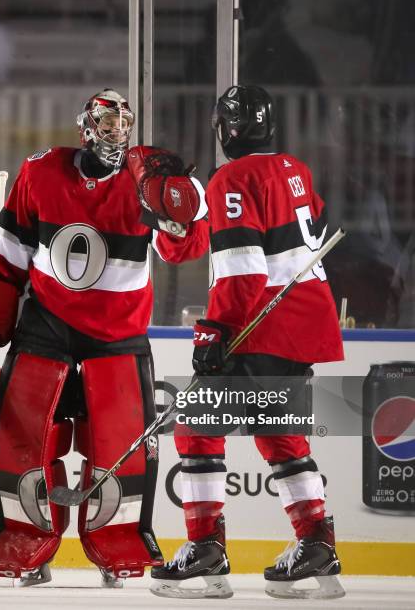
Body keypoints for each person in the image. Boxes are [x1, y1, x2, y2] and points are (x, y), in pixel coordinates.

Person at [0, 89, 209, 587]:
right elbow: (7, 249)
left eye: (122, 123)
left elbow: (185, 248)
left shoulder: (145, 181)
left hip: (118, 336)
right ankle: (26, 542)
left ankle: (117, 542)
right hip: (46, 326)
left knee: (120, 447)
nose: (115, 132)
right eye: (106, 123)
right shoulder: (41, 170)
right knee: (24, 440)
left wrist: (180, 212)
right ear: (84, 127)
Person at [151, 85, 345, 600]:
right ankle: (317, 550)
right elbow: (196, 243)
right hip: (301, 323)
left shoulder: (232, 176)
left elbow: (243, 269)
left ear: (224, 130)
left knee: (195, 427)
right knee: (280, 436)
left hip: (260, 324)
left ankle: (205, 553)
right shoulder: (294, 169)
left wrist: (214, 331)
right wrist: (175, 218)